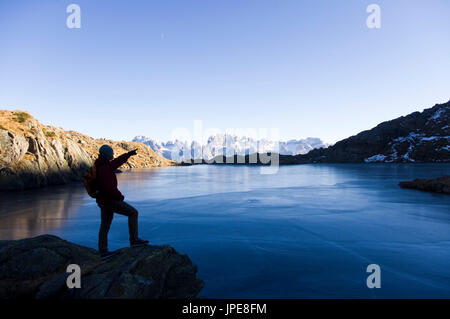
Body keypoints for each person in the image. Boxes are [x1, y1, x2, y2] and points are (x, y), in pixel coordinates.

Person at [95, 145, 149, 258]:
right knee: (133, 213)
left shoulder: (103, 165)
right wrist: (120, 197)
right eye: (111, 152)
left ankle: (103, 251)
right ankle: (134, 240)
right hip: (110, 201)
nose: (113, 154)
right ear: (106, 154)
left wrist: (128, 154)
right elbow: (109, 188)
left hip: (103, 201)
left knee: (105, 225)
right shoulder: (105, 168)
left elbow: (117, 162)